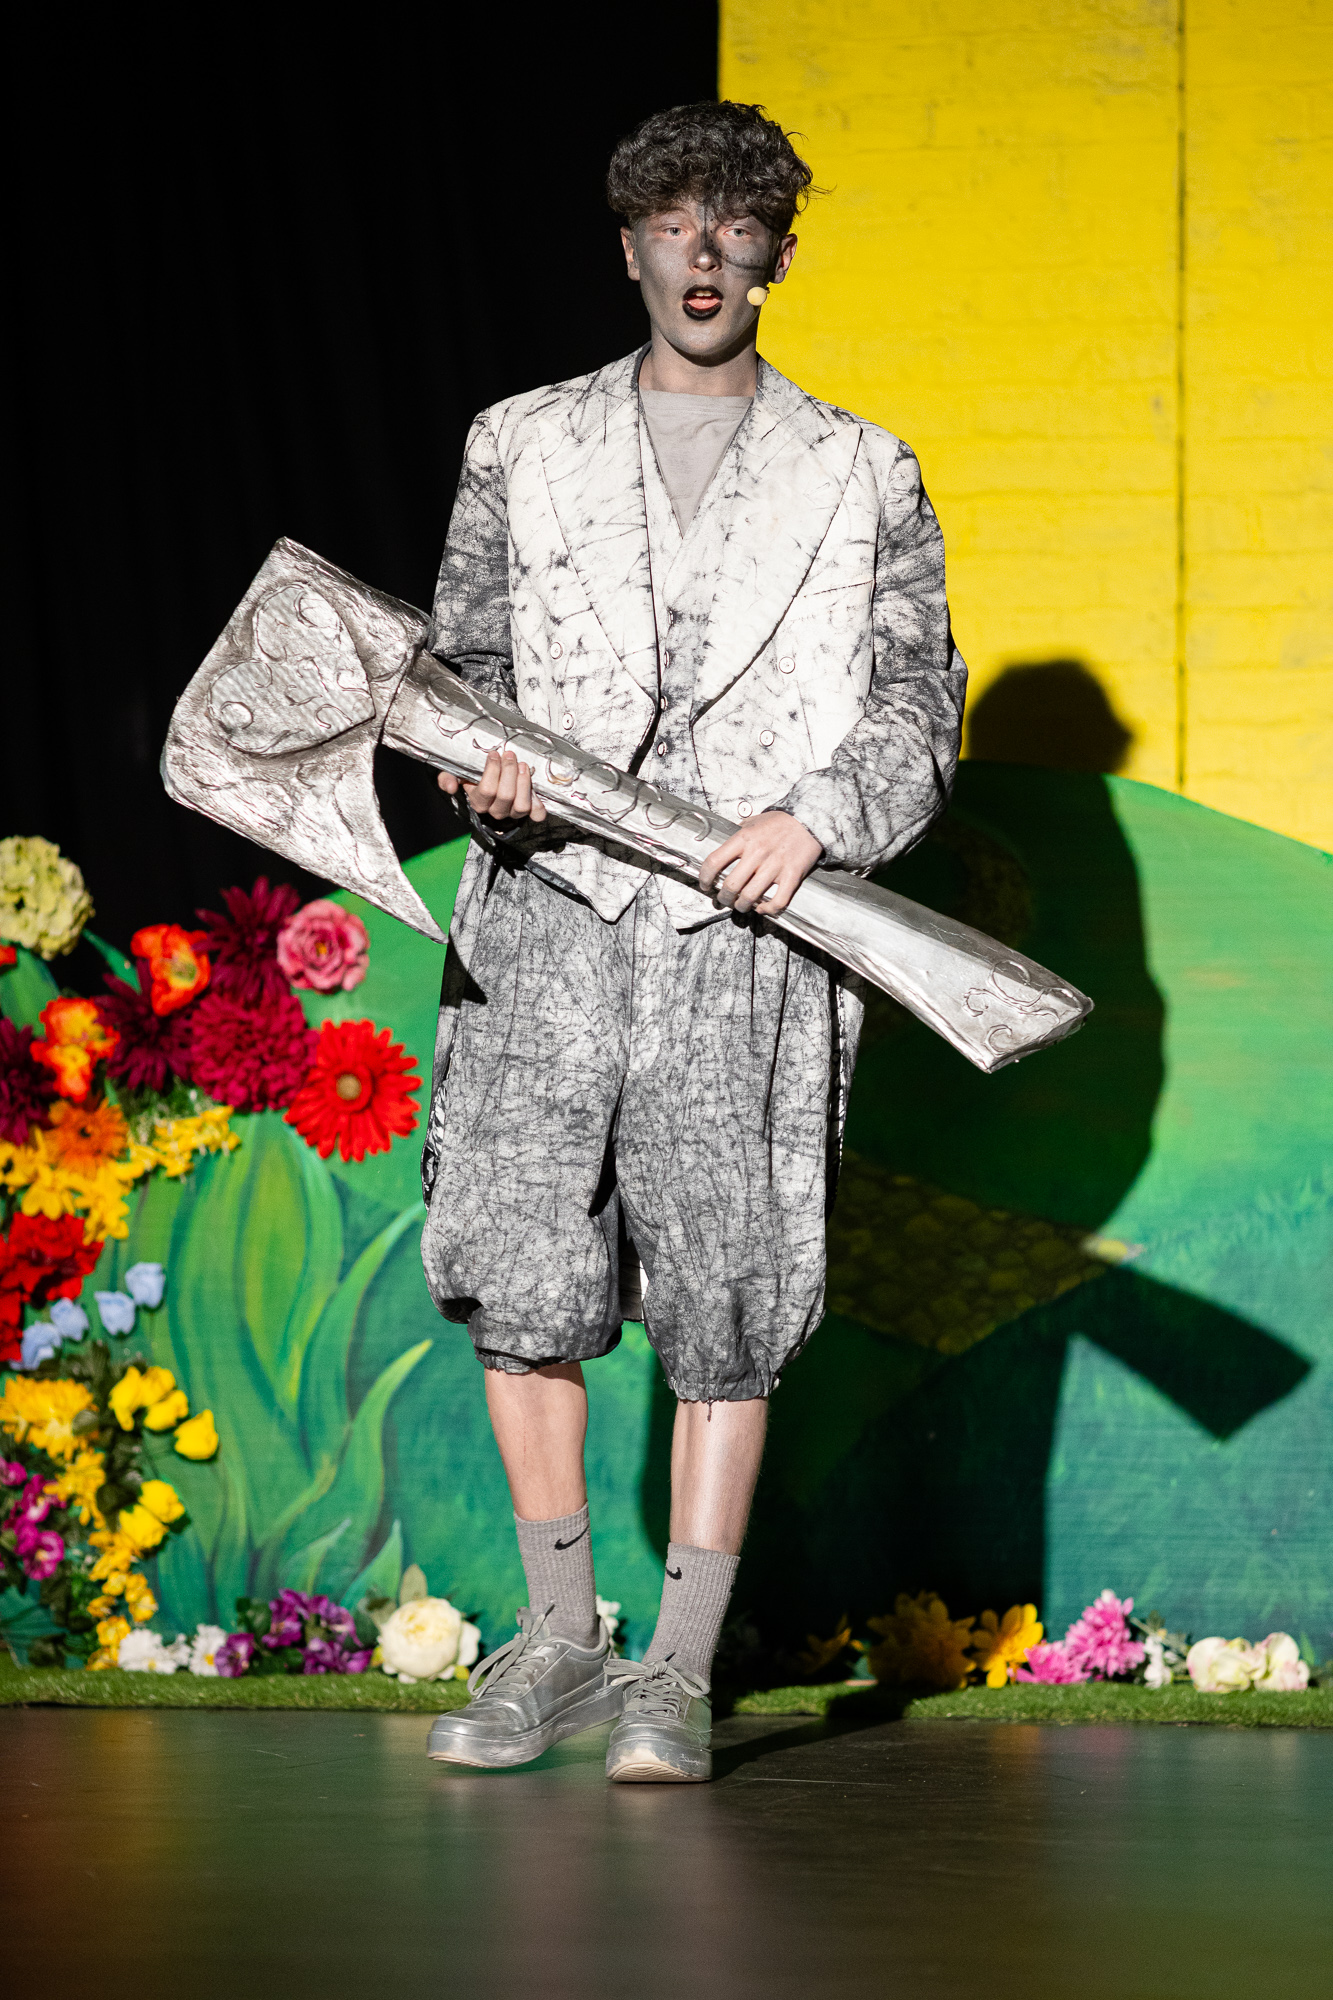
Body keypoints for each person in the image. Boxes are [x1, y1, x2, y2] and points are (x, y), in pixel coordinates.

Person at [420, 100, 965, 1782]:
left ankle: (675, 1667)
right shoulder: (520, 444)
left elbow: (916, 705)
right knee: (522, 1271)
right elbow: (457, 671)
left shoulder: (861, 472)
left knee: (732, 1289)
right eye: (674, 221)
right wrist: (480, 769)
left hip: (746, 930)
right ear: (632, 248)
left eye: (736, 222)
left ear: (776, 252)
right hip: (548, 914)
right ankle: (560, 1639)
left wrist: (819, 816)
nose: (705, 251)